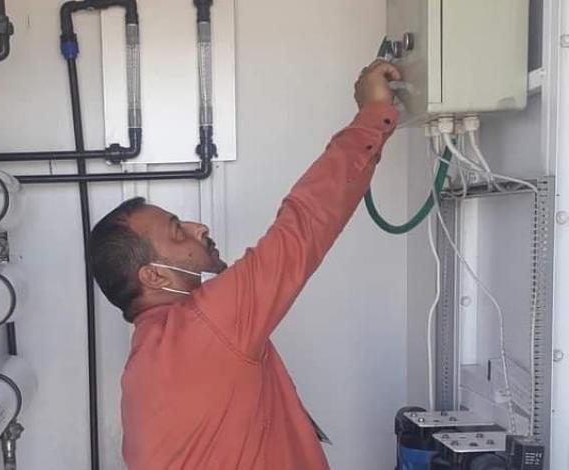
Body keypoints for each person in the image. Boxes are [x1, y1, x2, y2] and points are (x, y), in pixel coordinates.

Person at [88, 60, 402, 470]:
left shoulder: (148, 358)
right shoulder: (204, 326)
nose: (198, 227)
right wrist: (373, 115)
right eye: (178, 231)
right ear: (154, 276)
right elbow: (303, 225)